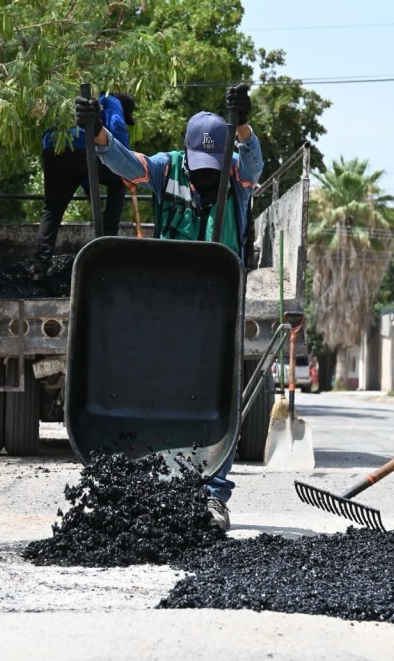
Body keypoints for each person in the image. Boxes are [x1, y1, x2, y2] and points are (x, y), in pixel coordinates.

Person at [76, 84, 263, 531]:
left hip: (218, 302)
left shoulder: (237, 173)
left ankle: (214, 496)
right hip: (166, 301)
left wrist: (242, 127)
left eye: (211, 169)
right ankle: (146, 484)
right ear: (185, 153)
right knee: (158, 390)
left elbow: (253, 160)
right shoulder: (165, 169)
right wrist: (98, 133)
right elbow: (124, 162)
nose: (203, 179)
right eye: (199, 168)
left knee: (218, 402)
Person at [30, 92, 136, 280]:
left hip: (55, 148)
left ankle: (40, 267)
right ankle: (106, 249)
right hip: (83, 146)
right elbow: (118, 126)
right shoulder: (112, 99)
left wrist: (89, 190)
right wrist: (126, 166)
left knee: (52, 209)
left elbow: (83, 171)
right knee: (119, 182)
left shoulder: (72, 97)